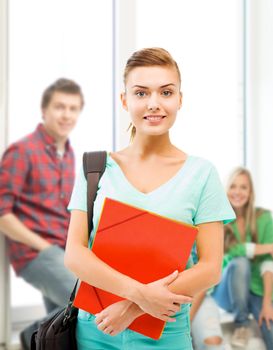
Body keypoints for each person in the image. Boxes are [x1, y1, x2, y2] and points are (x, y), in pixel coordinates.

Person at [65, 47, 235, 350]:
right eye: (141, 93)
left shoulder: (202, 174)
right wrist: (139, 294)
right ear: (124, 100)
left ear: (180, 99)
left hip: (165, 332)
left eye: (166, 92)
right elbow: (75, 254)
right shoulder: (96, 168)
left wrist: (131, 309)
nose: (154, 104)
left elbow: (210, 267)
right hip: (96, 327)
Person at [0, 78, 84, 349]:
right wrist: (46, 248)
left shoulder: (69, 155)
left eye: (73, 108)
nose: (66, 115)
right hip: (37, 253)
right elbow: (2, 214)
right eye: (60, 107)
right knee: (87, 301)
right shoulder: (22, 151)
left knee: (64, 327)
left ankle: (36, 338)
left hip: (65, 249)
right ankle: (31, 337)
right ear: (44, 110)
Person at [212, 167, 273, 349]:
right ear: (226, 189)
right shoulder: (217, 219)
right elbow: (228, 255)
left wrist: (267, 303)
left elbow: (267, 263)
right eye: (233, 186)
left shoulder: (263, 218)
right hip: (225, 291)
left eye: (243, 187)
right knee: (240, 263)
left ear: (250, 191)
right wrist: (264, 247)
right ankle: (241, 325)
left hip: (254, 289)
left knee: (270, 327)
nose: (238, 192)